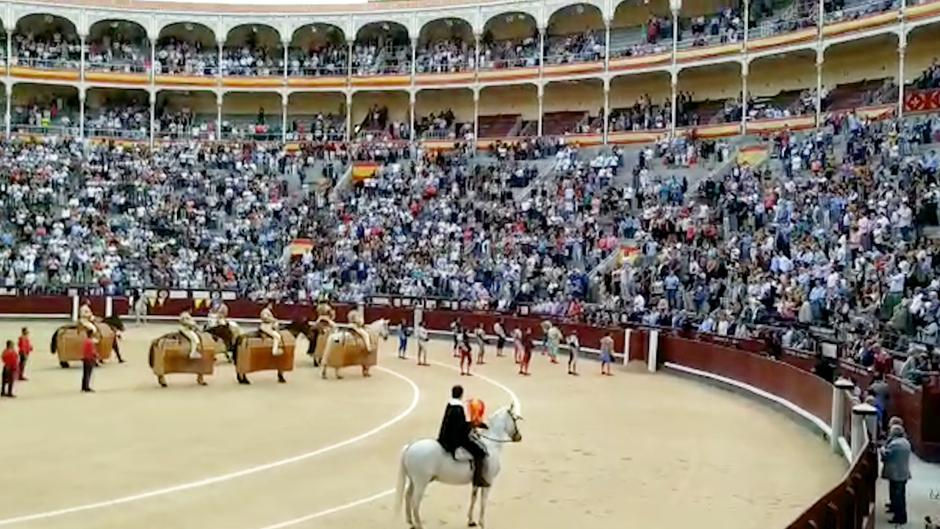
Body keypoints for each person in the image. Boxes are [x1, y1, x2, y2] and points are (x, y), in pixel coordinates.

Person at [437, 385, 489, 488]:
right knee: (480, 453)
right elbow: (460, 427)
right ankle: (477, 479)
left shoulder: (450, 405)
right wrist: (473, 424)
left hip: (444, 436)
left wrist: (470, 423)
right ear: (461, 395)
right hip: (454, 439)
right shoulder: (458, 408)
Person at [882, 423, 912, 525]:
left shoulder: (894, 444)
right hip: (903, 473)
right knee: (901, 496)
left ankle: (899, 517)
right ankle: (899, 513)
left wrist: (882, 450)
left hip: (895, 474)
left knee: (897, 497)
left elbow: (885, 456)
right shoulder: (906, 442)